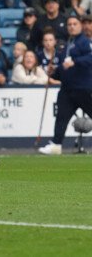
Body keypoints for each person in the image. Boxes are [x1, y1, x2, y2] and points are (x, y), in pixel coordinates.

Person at [38, 16, 92, 155]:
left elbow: (90, 58)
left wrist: (75, 61)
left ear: (80, 26)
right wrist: (54, 73)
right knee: (61, 117)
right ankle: (56, 144)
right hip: (67, 89)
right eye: (69, 24)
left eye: (75, 24)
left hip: (83, 88)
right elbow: (63, 68)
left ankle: (56, 144)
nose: (72, 26)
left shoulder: (85, 42)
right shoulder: (66, 44)